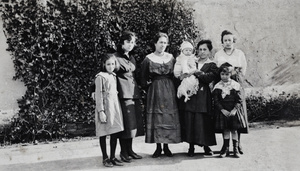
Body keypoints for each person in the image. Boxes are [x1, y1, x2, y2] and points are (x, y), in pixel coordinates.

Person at [140, 32, 181, 158]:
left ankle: (167, 146)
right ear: (155, 43)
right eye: (160, 42)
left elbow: (176, 75)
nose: (162, 45)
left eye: (164, 42)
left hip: (169, 90)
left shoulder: (171, 58)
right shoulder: (148, 58)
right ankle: (158, 147)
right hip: (155, 90)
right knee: (157, 118)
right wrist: (150, 86)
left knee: (167, 117)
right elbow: (142, 77)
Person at [179, 39, 217, 157]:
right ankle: (191, 146)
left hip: (203, 95)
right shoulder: (192, 61)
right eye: (200, 49)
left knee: (203, 120)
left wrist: (196, 72)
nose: (202, 52)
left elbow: (208, 78)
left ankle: (206, 145)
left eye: (205, 49)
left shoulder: (212, 65)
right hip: (190, 94)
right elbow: (183, 73)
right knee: (190, 119)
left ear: (210, 51)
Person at [214, 30, 249, 155]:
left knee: (237, 114)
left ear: (233, 41)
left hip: (236, 81)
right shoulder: (218, 54)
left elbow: (243, 69)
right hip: (223, 82)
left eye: (230, 40)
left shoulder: (239, 53)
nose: (227, 43)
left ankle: (238, 144)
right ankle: (225, 146)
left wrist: (237, 78)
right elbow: (216, 69)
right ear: (222, 42)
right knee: (225, 115)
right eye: (225, 40)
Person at [114, 31, 144, 162]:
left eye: (132, 42)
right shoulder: (114, 57)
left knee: (133, 124)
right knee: (126, 124)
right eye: (128, 42)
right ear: (122, 43)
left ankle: (130, 150)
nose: (131, 45)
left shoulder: (131, 57)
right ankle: (123, 152)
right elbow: (106, 73)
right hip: (123, 94)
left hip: (133, 94)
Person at [95, 54, 124, 167]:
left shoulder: (113, 76)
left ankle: (112, 156)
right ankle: (105, 157)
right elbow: (98, 95)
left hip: (114, 106)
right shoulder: (100, 77)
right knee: (103, 132)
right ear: (104, 65)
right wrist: (101, 111)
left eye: (113, 64)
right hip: (105, 107)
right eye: (108, 64)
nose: (111, 66)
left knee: (114, 132)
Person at [213, 62, 246, 158]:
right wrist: (222, 109)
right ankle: (226, 149)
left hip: (233, 111)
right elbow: (216, 100)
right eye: (222, 74)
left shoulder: (235, 85)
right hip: (223, 111)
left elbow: (239, 99)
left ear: (231, 74)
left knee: (234, 130)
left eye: (227, 74)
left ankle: (235, 149)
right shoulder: (218, 86)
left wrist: (235, 109)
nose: (224, 76)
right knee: (226, 130)